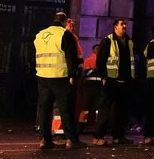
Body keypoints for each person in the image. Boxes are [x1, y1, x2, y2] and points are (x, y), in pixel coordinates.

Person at [34, 14, 86, 149]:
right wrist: (73, 75)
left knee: (44, 109)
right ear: (64, 22)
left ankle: (44, 139)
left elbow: (33, 55)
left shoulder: (40, 35)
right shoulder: (65, 34)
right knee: (66, 109)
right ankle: (71, 139)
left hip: (42, 76)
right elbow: (71, 57)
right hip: (60, 77)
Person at [92, 19, 136, 147]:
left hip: (125, 81)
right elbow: (100, 60)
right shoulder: (108, 41)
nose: (124, 27)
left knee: (121, 111)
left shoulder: (129, 42)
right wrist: (103, 76)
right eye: (122, 24)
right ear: (115, 27)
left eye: (125, 25)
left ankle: (119, 136)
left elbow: (131, 61)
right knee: (105, 109)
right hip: (111, 80)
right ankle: (98, 136)